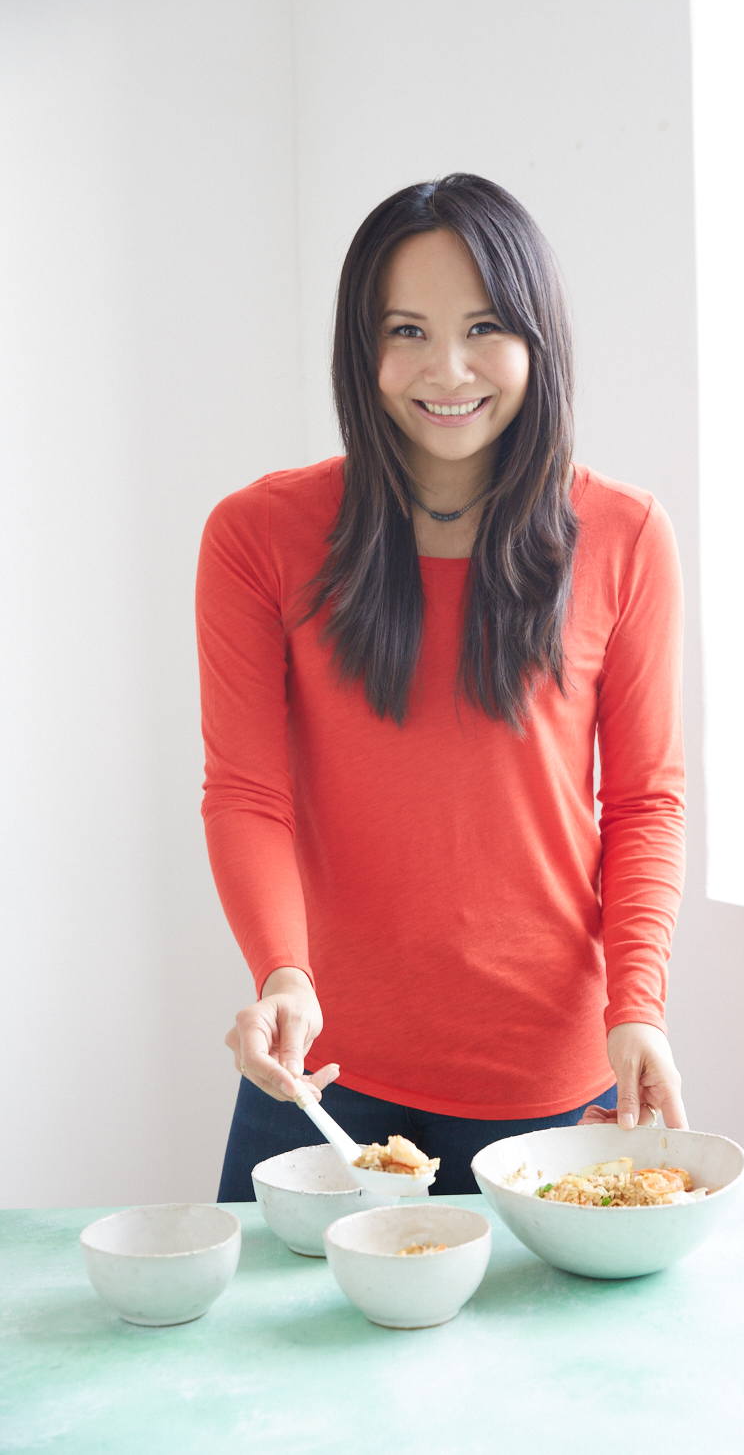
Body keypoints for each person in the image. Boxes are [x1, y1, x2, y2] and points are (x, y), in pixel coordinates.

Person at [196, 174, 687, 1200]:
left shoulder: (625, 536)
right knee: (265, 1360)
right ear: (360, 350)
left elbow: (643, 800)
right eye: (407, 331)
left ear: (535, 339)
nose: (447, 369)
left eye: (483, 327)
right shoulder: (257, 537)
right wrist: (280, 971)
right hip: (322, 1076)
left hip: (544, 1080)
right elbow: (247, 792)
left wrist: (636, 1004)